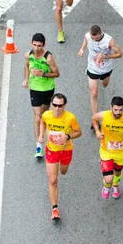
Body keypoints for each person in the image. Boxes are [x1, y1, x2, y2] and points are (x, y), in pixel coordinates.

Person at [39, 93, 82, 221]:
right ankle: (55, 209)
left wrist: (67, 137)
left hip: (66, 150)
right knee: (53, 180)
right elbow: (42, 121)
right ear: (52, 104)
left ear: (65, 105)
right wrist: (41, 133)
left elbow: (79, 132)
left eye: (60, 105)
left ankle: (61, 168)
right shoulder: (47, 115)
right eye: (55, 105)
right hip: (52, 150)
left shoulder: (70, 118)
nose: (57, 108)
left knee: (63, 172)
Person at [92, 97, 123, 199]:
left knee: (117, 172)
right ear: (111, 107)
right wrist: (97, 132)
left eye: (121, 110)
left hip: (120, 153)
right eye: (116, 110)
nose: (118, 112)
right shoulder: (103, 115)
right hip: (106, 151)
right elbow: (94, 119)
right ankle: (107, 186)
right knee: (108, 179)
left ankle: (115, 185)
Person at [23, 33, 60, 158]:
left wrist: (43, 74)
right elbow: (26, 66)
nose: (36, 48)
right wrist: (26, 80)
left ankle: (47, 135)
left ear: (44, 45)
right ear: (31, 43)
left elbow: (56, 73)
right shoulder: (28, 55)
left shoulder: (48, 58)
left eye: (39, 46)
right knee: (37, 117)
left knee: (44, 115)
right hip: (34, 89)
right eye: (34, 45)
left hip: (47, 89)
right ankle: (38, 146)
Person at [78, 25, 123, 125]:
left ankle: (104, 80)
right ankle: (95, 119)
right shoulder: (88, 36)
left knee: (104, 84)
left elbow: (119, 54)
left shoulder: (109, 40)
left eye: (96, 38)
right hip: (92, 68)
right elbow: (86, 40)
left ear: (100, 33)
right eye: (92, 38)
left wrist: (106, 56)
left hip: (106, 69)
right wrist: (82, 49)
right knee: (94, 93)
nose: (94, 40)